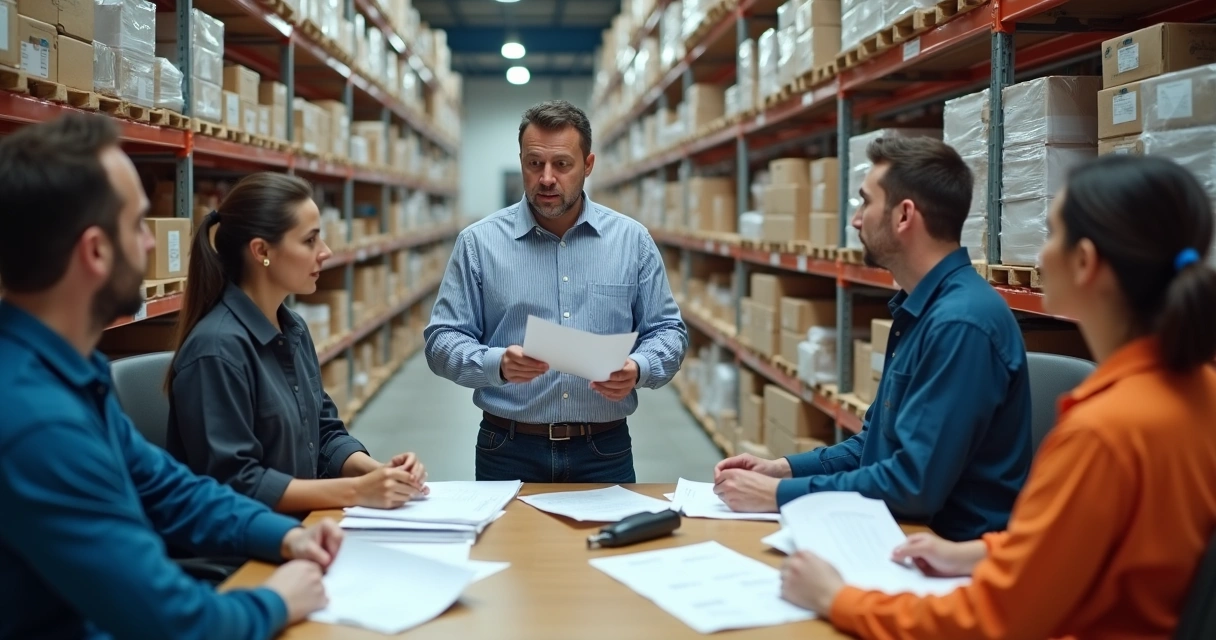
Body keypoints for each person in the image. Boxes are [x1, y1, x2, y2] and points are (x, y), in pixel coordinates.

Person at [779, 154, 1216, 639]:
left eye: (1051, 234)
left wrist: (839, 600)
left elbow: (994, 620)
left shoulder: (1105, 432)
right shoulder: (1197, 390)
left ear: (1085, 262)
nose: (1041, 253)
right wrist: (980, 553)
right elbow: (1090, 545)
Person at [0, 114, 340, 638]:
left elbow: (167, 488)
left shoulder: (72, 372)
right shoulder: (38, 425)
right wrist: (275, 599)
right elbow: (170, 620)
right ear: (95, 251)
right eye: (138, 224)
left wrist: (283, 536)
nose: (153, 244)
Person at [714, 137, 1032, 541]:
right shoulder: (921, 310)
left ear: (903, 216)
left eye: (865, 202)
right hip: (900, 535)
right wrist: (784, 469)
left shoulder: (960, 325)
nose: (856, 220)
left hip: (947, 558)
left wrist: (779, 495)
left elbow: (912, 486)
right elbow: (874, 446)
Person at [424, 100, 688, 483]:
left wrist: (638, 368)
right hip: (508, 447)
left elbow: (668, 332)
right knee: (510, 546)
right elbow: (441, 340)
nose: (547, 178)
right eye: (535, 164)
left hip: (603, 448)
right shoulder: (478, 243)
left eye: (562, 164)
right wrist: (495, 363)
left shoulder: (632, 241)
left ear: (588, 165)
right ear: (522, 162)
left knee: (608, 545)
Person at [166, 172, 428, 516]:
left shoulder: (293, 329)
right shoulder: (216, 351)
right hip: (239, 554)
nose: (326, 252)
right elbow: (235, 484)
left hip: (301, 529)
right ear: (262, 251)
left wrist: (378, 472)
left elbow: (322, 431)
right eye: (310, 241)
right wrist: (355, 491)